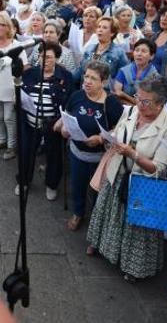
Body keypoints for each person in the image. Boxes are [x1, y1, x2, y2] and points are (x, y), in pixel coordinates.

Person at [86, 76, 167, 282]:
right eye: (138, 97)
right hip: (117, 172)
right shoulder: (131, 110)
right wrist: (104, 138)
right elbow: (117, 131)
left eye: (146, 102)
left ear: (161, 104)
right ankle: (104, 247)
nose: (139, 104)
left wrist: (132, 154)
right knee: (110, 213)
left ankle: (133, 267)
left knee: (136, 226)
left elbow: (158, 168)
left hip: (141, 181)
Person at [56, 60, 124, 231]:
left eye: (93, 78)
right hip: (77, 152)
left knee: (97, 192)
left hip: (100, 158)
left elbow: (121, 127)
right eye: (86, 76)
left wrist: (101, 138)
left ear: (104, 82)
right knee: (77, 186)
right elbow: (67, 114)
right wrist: (64, 127)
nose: (87, 81)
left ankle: (97, 223)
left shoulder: (112, 103)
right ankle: (78, 213)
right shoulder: (77, 95)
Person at [17, 42, 73, 200]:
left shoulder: (65, 76)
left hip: (52, 124)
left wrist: (62, 119)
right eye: (42, 56)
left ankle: (51, 185)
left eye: (49, 57)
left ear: (56, 58)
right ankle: (24, 181)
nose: (45, 60)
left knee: (54, 156)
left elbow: (70, 101)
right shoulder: (29, 73)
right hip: (29, 122)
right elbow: (19, 92)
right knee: (26, 153)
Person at [0, 12, 28, 159]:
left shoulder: (16, 46)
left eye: (1, 24)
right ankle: (1, 141)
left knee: (9, 119)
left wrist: (19, 91)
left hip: (11, 90)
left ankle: (11, 147)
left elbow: (24, 68)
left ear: (8, 27)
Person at [75, 16, 129, 83]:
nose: (100, 30)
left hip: (106, 91)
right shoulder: (89, 48)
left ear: (112, 33)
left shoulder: (119, 52)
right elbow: (80, 71)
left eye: (104, 28)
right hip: (85, 89)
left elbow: (124, 76)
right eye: (99, 27)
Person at [113, 39, 158, 105]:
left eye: (144, 51)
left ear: (152, 56)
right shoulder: (123, 71)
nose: (139, 54)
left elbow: (147, 102)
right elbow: (117, 93)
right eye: (137, 50)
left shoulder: (155, 77)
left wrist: (124, 95)